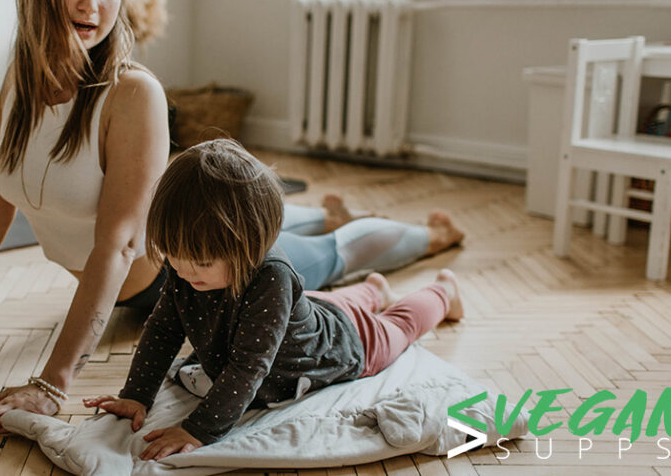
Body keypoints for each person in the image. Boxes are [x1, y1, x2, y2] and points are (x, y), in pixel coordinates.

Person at [0, 0, 464, 438]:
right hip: (178, 260)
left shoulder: (131, 93)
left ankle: (428, 241)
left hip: (202, 276)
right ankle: (324, 224)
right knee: (305, 243)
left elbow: (118, 243)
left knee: (328, 254)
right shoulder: (19, 84)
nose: (92, 4)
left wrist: (52, 384)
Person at [83, 139, 463, 460]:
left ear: (248, 246)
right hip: (310, 311)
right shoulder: (187, 268)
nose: (183, 271)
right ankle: (374, 289)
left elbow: (249, 367)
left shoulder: (272, 277)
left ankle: (444, 292)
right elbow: (163, 329)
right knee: (330, 304)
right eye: (173, 257)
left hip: (344, 342)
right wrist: (136, 395)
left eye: (199, 262)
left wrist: (198, 430)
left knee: (399, 325)